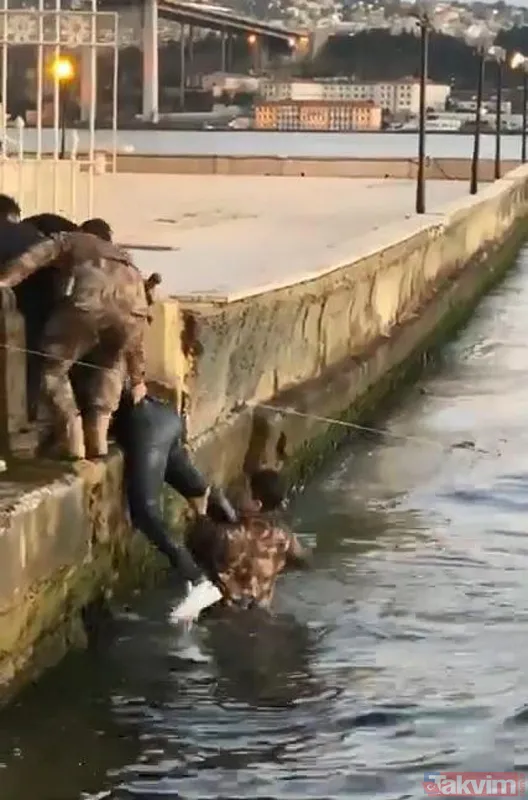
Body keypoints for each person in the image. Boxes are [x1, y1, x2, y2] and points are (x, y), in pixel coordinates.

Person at [0, 230, 150, 459]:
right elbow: (135, 342)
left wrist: (5, 281)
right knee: (111, 364)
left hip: (91, 299)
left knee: (53, 368)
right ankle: (99, 440)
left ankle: (72, 439)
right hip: (134, 308)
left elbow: (34, 257)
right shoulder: (125, 258)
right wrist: (138, 378)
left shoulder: (71, 240)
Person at [111, 383, 240, 620]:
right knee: (193, 486)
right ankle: (236, 535)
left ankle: (197, 579)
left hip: (145, 426)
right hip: (165, 415)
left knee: (144, 511)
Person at [176, 468, 312, 618]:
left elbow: (193, 540)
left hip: (228, 618)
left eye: (245, 490)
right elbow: (303, 560)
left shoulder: (231, 536)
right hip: (262, 610)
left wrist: (200, 513)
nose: (239, 491)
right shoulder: (283, 536)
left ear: (256, 504)